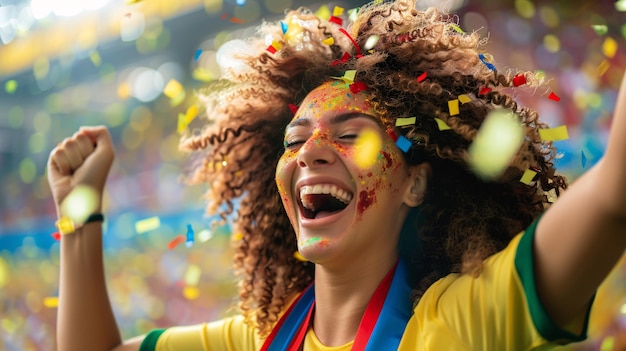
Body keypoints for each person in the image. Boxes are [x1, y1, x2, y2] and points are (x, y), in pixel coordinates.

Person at [47, 1, 626, 350]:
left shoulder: (465, 320)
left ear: (415, 183)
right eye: (294, 141)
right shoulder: (256, 340)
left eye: (351, 135)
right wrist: (78, 211)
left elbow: (613, 192)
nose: (309, 154)